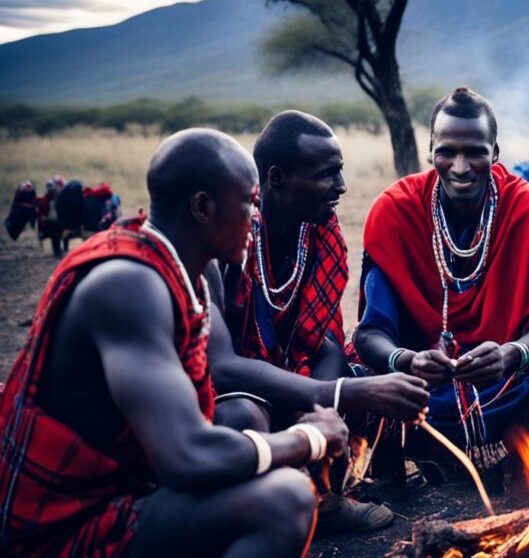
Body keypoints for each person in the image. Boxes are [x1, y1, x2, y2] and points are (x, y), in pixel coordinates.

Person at [0, 128, 347, 557]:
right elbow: (187, 458)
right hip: (56, 529)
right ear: (203, 207)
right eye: (249, 203)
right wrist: (309, 438)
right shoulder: (128, 286)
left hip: (117, 492)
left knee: (242, 424)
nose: (256, 217)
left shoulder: (182, 273)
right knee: (285, 500)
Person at [217, 110, 430, 532]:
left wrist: (319, 409)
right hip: (230, 394)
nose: (342, 187)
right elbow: (221, 368)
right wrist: (337, 393)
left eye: (341, 172)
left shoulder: (320, 230)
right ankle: (262, 511)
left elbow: (327, 339)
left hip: (294, 383)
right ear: (276, 179)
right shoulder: (229, 239)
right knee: (243, 418)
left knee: (366, 380)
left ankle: (322, 497)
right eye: (327, 175)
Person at [352, 87, 529, 469]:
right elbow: (369, 335)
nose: (461, 167)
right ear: (431, 149)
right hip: (418, 382)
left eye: (476, 152)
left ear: (495, 154)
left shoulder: (527, 208)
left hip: (504, 382)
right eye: (447, 151)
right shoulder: (395, 210)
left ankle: (524, 467)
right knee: (357, 376)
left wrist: (509, 354)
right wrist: (408, 360)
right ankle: (390, 471)